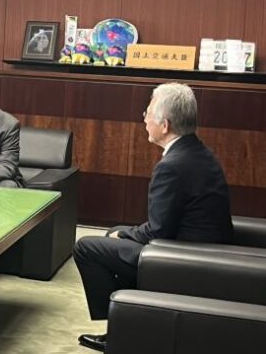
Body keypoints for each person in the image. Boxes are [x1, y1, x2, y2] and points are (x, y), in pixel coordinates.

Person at [74, 82, 232, 352]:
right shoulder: (199, 152)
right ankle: (132, 322)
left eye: (147, 113)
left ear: (165, 125)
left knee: (86, 247)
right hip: (200, 248)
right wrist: (124, 232)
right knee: (113, 235)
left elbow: (158, 231)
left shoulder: (171, 165)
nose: (144, 119)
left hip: (180, 256)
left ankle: (121, 330)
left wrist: (125, 233)